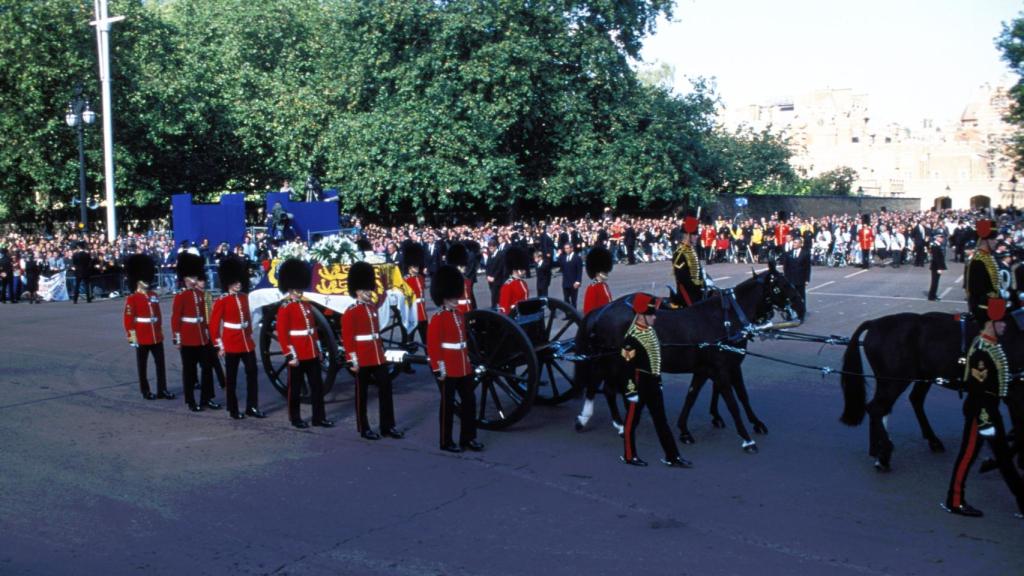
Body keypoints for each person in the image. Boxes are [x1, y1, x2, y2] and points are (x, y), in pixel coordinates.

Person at [942, 297, 1024, 518]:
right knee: (967, 456)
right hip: (981, 413)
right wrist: (986, 422)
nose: (1006, 325)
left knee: (1004, 459)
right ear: (992, 323)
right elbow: (978, 392)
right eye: (1002, 322)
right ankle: (954, 501)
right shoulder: (982, 351)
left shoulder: (991, 345)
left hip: (990, 410)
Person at [620, 293, 692, 469]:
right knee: (631, 422)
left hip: (652, 382)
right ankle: (629, 455)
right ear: (642, 315)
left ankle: (672, 456)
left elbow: (655, 360)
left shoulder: (650, 331)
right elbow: (626, 367)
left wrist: (658, 381)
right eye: (651, 314)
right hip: (638, 383)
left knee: (661, 421)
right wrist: (631, 391)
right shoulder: (630, 339)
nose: (654, 317)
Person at [342, 261, 402, 440]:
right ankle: (364, 427)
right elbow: (348, 339)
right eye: (365, 290)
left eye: (369, 289)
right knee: (362, 395)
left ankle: (387, 426)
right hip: (361, 356)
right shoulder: (351, 312)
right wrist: (352, 360)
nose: (369, 293)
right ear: (357, 291)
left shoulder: (372, 309)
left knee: (386, 388)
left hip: (377, 355)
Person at [428, 265, 483, 453]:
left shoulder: (459, 315)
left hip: (463, 366)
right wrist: (439, 369)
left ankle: (469, 438)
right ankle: (446, 440)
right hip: (448, 368)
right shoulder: (438, 318)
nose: (455, 300)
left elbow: (464, 343)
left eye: (455, 296)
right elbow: (434, 348)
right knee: (448, 406)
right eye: (451, 297)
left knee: (469, 403)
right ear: (443, 297)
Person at [276, 258, 333, 429]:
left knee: (317, 387)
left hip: (311, 352)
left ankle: (319, 417)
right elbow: (283, 334)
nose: (299, 292)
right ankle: (295, 418)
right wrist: (289, 354)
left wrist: (318, 349)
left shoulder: (306, 306)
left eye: (300, 289)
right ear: (290, 288)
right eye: (296, 289)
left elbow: (313, 330)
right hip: (297, 353)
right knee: (295, 389)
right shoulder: (285, 307)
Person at [210, 256, 265, 420]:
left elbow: (247, 319)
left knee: (252, 374)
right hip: (231, 343)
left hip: (246, 343)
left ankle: (252, 406)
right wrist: (219, 345)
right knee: (232, 378)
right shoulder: (222, 301)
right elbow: (214, 325)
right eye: (235, 281)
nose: (239, 283)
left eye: (240, 281)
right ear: (228, 282)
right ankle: (233, 409)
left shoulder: (244, 297)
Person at [171, 252, 220, 412]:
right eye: (190, 277)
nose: (194, 280)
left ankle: (207, 398)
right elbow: (176, 319)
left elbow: (205, 318)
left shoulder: (201, 295)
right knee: (189, 371)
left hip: (202, 338)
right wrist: (177, 338)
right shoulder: (180, 297)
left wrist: (211, 336)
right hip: (187, 338)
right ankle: (191, 401)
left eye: (195, 276)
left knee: (207, 369)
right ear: (185, 279)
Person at [122, 254, 174, 401]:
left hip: (156, 335)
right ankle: (145, 391)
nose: (146, 282)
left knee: (160, 364)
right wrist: (132, 338)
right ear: (137, 281)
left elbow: (158, 316)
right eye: (143, 279)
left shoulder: (153, 295)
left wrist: (160, 331)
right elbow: (128, 320)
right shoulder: (132, 298)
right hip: (142, 335)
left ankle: (162, 389)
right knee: (142, 366)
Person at [964, 219, 1002, 329]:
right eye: (993, 239)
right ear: (986, 241)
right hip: (983, 310)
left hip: (992, 305)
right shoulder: (978, 261)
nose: (996, 242)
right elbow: (978, 291)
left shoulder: (987, 257)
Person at [672, 213, 704, 307]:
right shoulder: (680, 252)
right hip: (687, 294)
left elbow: (697, 272)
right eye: (694, 235)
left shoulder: (690, 250)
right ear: (687, 235)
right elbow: (683, 278)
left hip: (696, 291)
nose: (697, 237)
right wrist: (698, 285)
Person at [401, 242, 428, 345]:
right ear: (409, 267)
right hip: (412, 312)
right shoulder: (406, 280)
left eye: (417, 266)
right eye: (414, 266)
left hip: (423, 313)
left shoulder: (421, 278)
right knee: (409, 339)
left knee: (426, 340)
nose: (417, 268)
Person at [782, 235, 810, 321]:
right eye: (793, 242)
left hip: (800, 279)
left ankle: (801, 314)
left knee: (801, 297)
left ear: (800, 244)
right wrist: (785, 278)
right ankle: (790, 314)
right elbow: (785, 267)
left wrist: (807, 279)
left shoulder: (805, 253)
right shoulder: (788, 253)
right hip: (790, 279)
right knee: (789, 297)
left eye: (796, 243)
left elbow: (807, 268)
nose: (794, 244)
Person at [498, 245, 530, 315]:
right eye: (523, 269)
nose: (525, 271)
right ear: (518, 269)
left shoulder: (523, 282)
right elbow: (504, 308)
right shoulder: (508, 285)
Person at [445, 243, 476, 314]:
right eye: (463, 266)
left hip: (469, 309)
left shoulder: (467, 280)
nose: (465, 267)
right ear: (458, 266)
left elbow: (471, 298)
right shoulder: (452, 281)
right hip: (459, 310)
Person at [582, 246, 613, 315]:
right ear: (598, 273)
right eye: (605, 272)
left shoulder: (605, 285)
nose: (607, 274)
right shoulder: (592, 287)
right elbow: (588, 312)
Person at [556, 242, 583, 308]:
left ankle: (574, 316)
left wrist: (578, 281)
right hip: (565, 282)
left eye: (568, 248)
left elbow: (579, 271)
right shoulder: (563, 257)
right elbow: (556, 264)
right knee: (566, 299)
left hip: (574, 282)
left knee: (574, 300)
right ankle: (568, 315)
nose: (566, 250)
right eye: (565, 248)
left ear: (572, 248)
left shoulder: (577, 258)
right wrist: (557, 255)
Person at [928, 232, 947, 301]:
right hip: (935, 266)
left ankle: (934, 295)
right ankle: (931, 296)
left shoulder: (938, 245)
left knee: (936, 282)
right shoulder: (934, 245)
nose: (942, 238)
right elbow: (936, 258)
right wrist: (939, 268)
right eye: (940, 237)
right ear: (936, 237)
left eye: (942, 237)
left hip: (937, 266)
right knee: (934, 282)